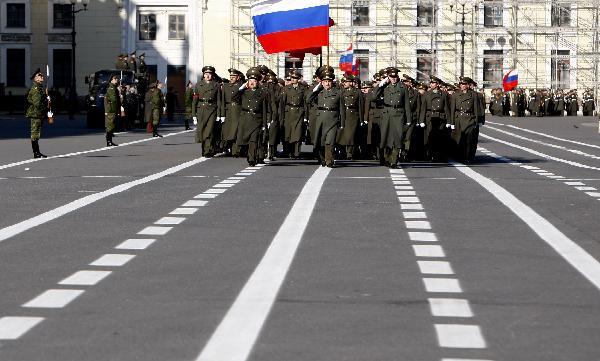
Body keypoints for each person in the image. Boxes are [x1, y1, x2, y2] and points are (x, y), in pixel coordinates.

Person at [371, 67, 412, 168]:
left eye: (395, 76)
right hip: (387, 114)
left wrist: (409, 120)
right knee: (386, 137)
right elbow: (374, 97)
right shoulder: (385, 86)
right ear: (388, 77)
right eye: (391, 76)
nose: (393, 78)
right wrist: (380, 85)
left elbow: (406, 104)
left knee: (397, 138)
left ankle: (394, 160)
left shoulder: (403, 87)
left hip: (398, 114)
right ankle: (387, 158)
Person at [307, 67, 345, 168]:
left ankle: (329, 160)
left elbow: (342, 109)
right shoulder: (319, 92)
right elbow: (308, 100)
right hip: (320, 120)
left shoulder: (338, 93)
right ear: (322, 82)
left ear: (332, 82)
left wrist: (342, 124)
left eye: (329, 81)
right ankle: (322, 158)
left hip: (333, 119)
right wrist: (316, 89)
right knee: (320, 141)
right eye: (325, 81)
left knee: (330, 141)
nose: (327, 83)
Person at [234, 67, 268, 166]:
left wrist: (265, 123)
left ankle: (252, 158)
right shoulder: (243, 92)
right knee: (245, 140)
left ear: (258, 82)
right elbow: (233, 98)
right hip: (245, 118)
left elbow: (264, 109)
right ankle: (243, 152)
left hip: (257, 119)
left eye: (254, 80)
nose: (252, 82)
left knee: (254, 139)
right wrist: (241, 88)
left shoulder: (262, 93)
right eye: (250, 80)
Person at [451, 77, 482, 163]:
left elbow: (476, 108)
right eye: (461, 84)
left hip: (469, 119)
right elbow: (452, 109)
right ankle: (459, 156)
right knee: (459, 139)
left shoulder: (474, 95)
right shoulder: (455, 95)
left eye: (464, 84)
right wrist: (451, 122)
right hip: (458, 119)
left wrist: (476, 121)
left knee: (468, 139)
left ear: (468, 85)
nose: (462, 86)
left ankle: (467, 157)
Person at [420, 76, 451, 162]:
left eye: (433, 83)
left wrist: (449, 121)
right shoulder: (427, 94)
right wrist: (421, 120)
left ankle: (438, 156)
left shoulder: (444, 94)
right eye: (430, 83)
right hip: (430, 117)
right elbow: (423, 108)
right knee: (430, 137)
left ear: (437, 84)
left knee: (439, 138)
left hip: (440, 117)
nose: (431, 84)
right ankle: (430, 155)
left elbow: (446, 108)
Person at [193, 66, 221, 157]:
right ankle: (204, 148)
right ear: (203, 75)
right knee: (202, 130)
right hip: (201, 109)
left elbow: (219, 100)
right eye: (206, 74)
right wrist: (194, 115)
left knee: (209, 131)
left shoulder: (216, 85)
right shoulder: (198, 85)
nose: (207, 76)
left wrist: (219, 114)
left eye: (209, 74)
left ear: (212, 75)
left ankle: (208, 150)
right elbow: (195, 101)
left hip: (212, 109)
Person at [279, 69, 307, 159]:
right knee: (288, 133)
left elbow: (305, 102)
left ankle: (296, 153)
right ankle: (288, 151)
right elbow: (282, 103)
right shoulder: (286, 88)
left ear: (298, 79)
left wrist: (306, 115)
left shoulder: (302, 89)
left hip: (299, 112)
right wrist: (282, 115)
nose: (293, 79)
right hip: (288, 112)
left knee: (297, 134)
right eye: (292, 78)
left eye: (295, 78)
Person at [336, 74, 363, 160]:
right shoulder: (341, 92)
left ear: (351, 82)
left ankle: (350, 153)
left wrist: (361, 119)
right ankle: (342, 152)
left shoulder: (357, 92)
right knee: (342, 134)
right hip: (344, 114)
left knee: (351, 136)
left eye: (346, 82)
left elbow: (360, 106)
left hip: (353, 115)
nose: (344, 83)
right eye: (344, 82)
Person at [220, 68, 244, 156]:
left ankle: (236, 151)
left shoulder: (242, 86)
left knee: (236, 131)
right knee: (227, 131)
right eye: (231, 76)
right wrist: (222, 114)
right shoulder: (226, 86)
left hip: (237, 110)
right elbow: (222, 101)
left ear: (238, 77)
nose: (231, 78)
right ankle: (227, 147)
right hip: (228, 110)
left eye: (234, 76)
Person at [26, 68, 49, 158]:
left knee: (36, 133)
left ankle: (37, 152)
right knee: (35, 134)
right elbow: (37, 103)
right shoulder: (36, 89)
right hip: (36, 114)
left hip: (38, 114)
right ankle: (36, 152)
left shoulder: (39, 88)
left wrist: (46, 96)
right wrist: (45, 108)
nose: (42, 76)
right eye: (39, 75)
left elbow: (30, 98)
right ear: (35, 78)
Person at [104, 74, 120, 146]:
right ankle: (108, 141)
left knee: (112, 125)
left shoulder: (114, 88)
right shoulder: (111, 88)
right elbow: (113, 99)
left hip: (113, 108)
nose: (117, 79)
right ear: (111, 80)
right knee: (110, 125)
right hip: (111, 109)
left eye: (117, 78)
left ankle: (110, 140)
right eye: (115, 78)